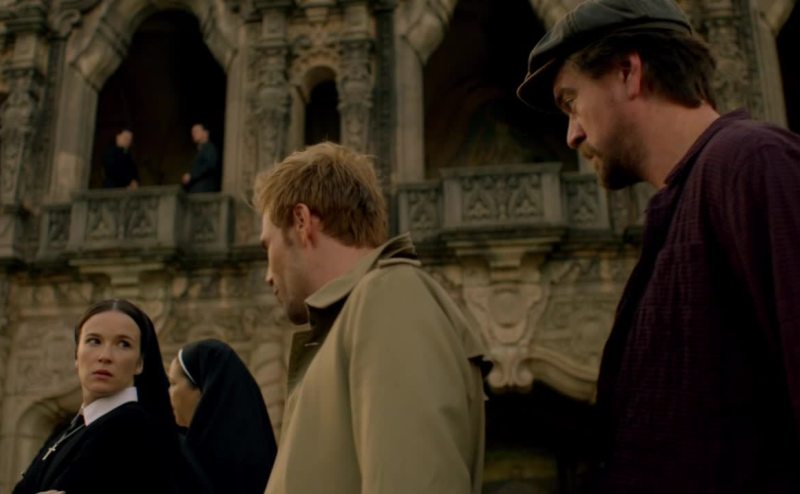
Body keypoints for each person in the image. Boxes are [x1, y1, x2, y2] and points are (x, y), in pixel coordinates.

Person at [517, 0, 800, 492]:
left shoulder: (752, 164)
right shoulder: (683, 204)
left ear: (628, 72)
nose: (572, 135)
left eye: (571, 102)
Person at [253, 142, 488, 494]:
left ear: (301, 222)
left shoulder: (389, 295)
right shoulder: (360, 312)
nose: (268, 275)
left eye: (266, 246)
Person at [12, 299, 181, 494]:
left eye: (123, 344)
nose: (105, 356)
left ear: (140, 363)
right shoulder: (72, 428)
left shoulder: (131, 428)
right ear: (76, 355)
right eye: (94, 341)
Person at [167, 338, 277, 494]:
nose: (168, 393)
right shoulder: (260, 457)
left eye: (173, 384)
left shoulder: (188, 461)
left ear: (204, 390)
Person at [182, 123, 220, 193]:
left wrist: (191, 176)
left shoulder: (209, 148)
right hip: (195, 190)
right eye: (192, 132)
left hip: (203, 190)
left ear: (206, 133)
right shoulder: (200, 151)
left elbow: (210, 165)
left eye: (196, 131)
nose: (193, 134)